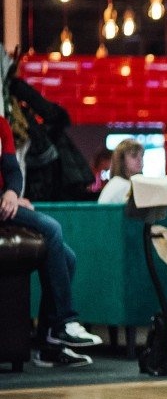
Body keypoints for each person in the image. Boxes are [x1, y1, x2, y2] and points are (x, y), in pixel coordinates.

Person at [1, 114, 101, 367]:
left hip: (4, 206)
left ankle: (50, 347)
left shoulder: (1, 125)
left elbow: (12, 171)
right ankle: (64, 322)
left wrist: (12, 193)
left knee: (67, 259)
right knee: (51, 228)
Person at [97, 138, 144, 204]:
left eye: (141, 155)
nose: (140, 160)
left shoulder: (121, 182)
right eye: (134, 155)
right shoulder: (121, 184)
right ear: (121, 160)